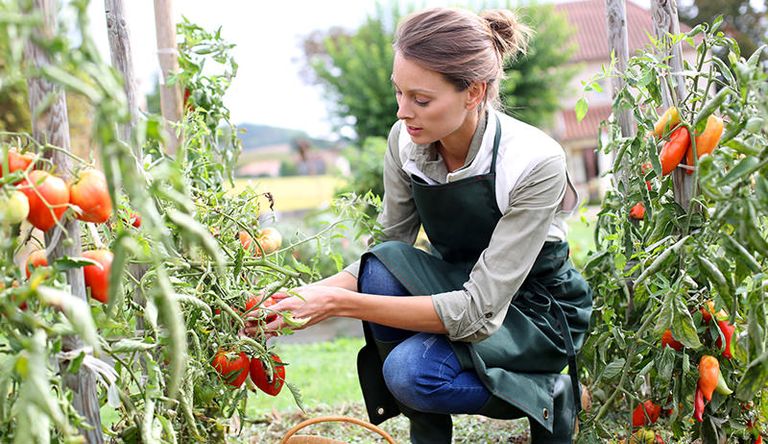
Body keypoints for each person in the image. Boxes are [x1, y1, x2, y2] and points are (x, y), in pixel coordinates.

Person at [244, 7, 592, 444]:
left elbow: (477, 313)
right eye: (399, 93)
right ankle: (427, 436)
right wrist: (302, 298)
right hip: (455, 283)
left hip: (533, 312)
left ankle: (551, 393)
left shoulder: (533, 161)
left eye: (421, 100)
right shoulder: (406, 143)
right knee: (381, 263)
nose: (403, 111)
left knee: (410, 373)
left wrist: (337, 304)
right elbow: (387, 254)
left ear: (474, 93)